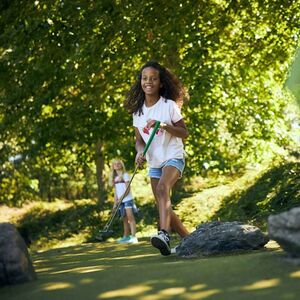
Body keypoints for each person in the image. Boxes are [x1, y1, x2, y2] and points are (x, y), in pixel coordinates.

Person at [124, 60, 190, 256]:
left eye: (153, 78)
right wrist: (139, 152)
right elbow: (139, 141)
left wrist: (163, 126)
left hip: (173, 157)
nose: (148, 82)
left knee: (162, 189)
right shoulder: (138, 112)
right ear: (140, 82)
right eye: (145, 78)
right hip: (154, 162)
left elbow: (184, 133)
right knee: (163, 202)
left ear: (161, 83)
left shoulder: (169, 106)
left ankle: (164, 234)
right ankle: (189, 240)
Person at [109, 158, 138, 244]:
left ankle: (134, 237)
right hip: (120, 201)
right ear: (113, 167)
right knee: (124, 219)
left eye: (119, 163)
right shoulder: (115, 178)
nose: (117, 165)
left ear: (122, 165)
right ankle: (126, 236)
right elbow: (116, 192)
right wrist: (115, 203)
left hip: (127, 200)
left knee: (130, 218)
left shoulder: (125, 175)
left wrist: (121, 198)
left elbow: (127, 189)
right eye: (115, 164)